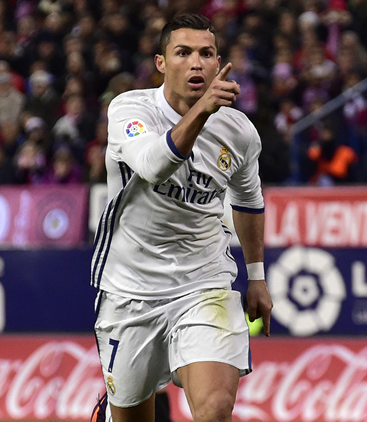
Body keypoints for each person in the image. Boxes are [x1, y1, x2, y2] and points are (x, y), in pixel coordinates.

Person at [91, 14, 272, 422]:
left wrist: (257, 275)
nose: (196, 63)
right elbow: (154, 166)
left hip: (203, 283)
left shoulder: (239, 132)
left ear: (218, 61)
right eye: (183, 52)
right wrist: (203, 111)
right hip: (129, 290)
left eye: (206, 54)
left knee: (215, 408)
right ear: (161, 62)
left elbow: (248, 198)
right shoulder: (130, 110)